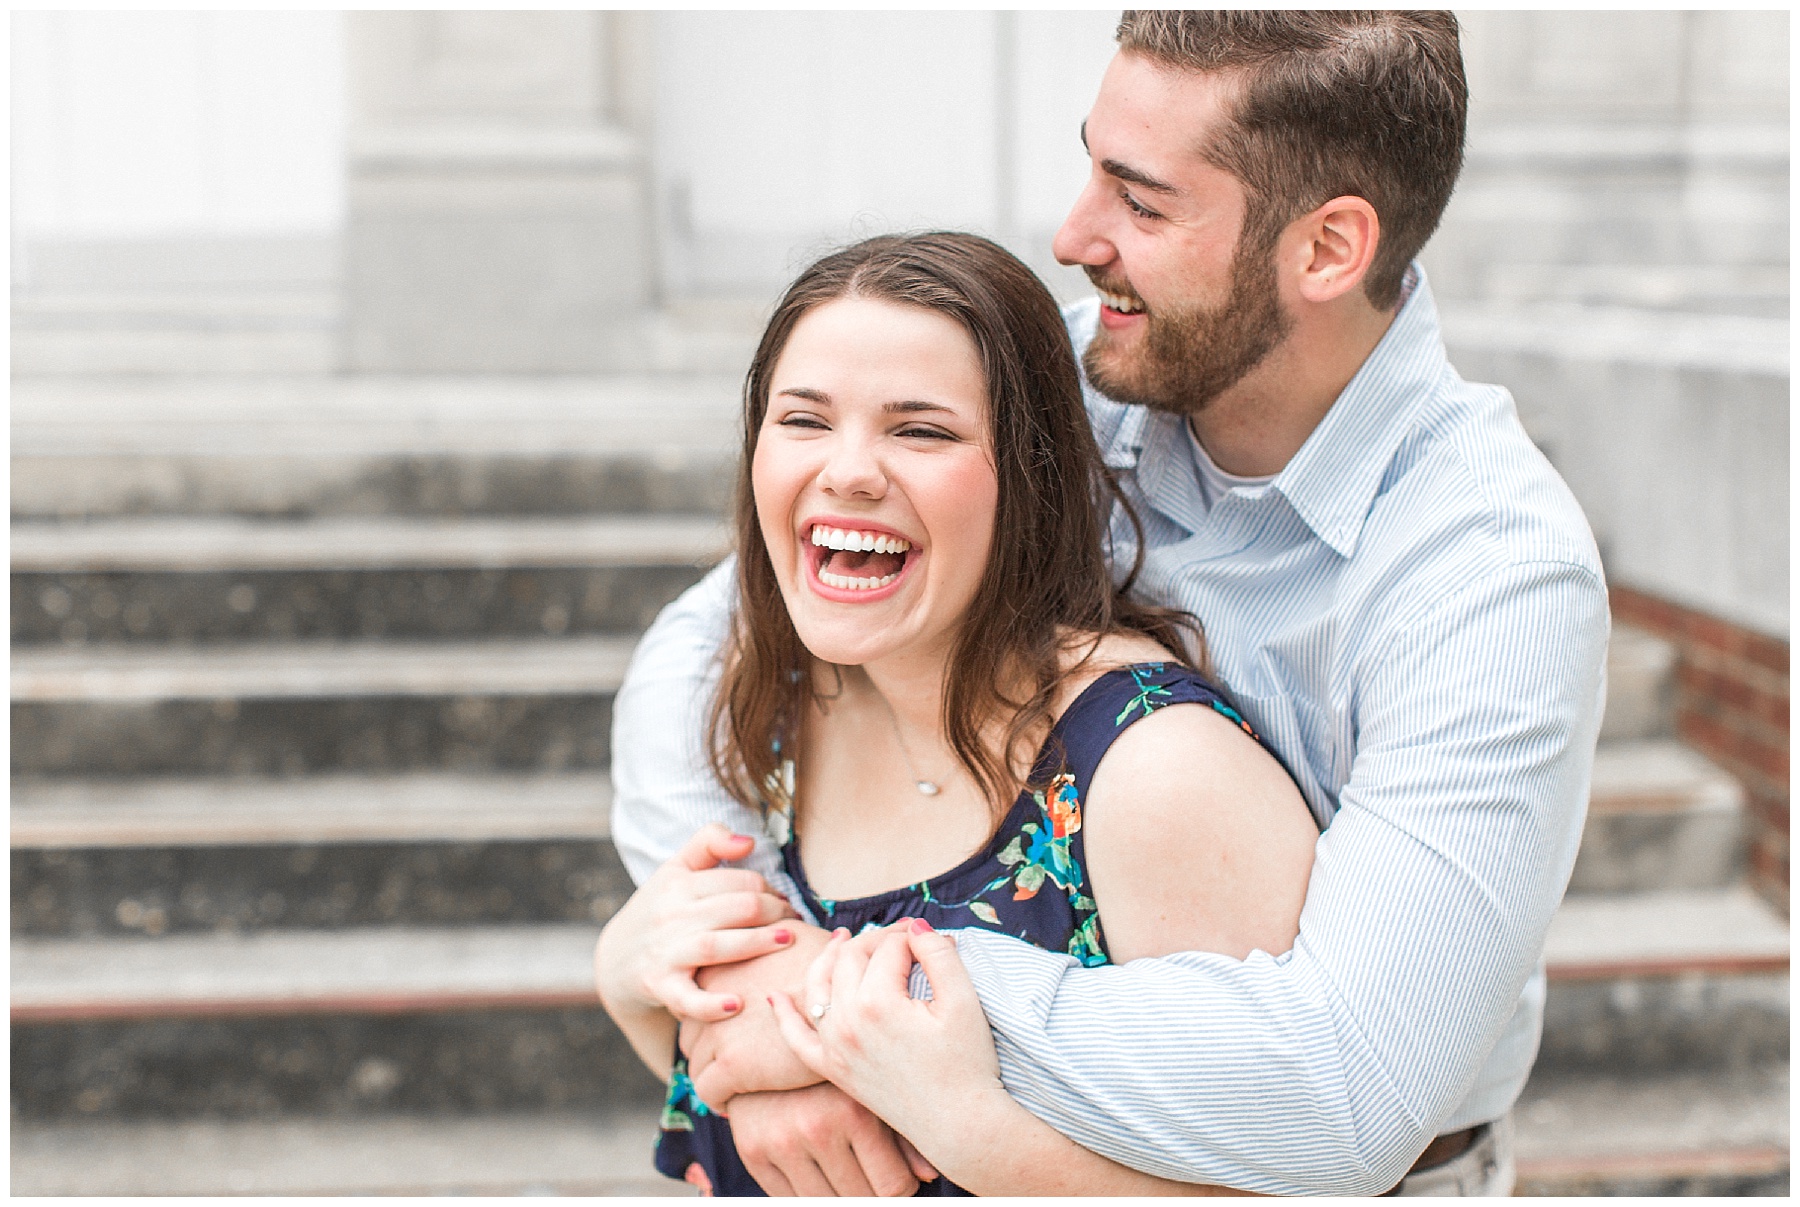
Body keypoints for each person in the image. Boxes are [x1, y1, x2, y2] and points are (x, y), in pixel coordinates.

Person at [609, 10, 1609, 1198]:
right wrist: (743, 968)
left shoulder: (1490, 572)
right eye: (1091, 165)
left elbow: (1344, 1090)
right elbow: (712, 636)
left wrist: (851, 1006)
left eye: (1142, 203)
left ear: (1329, 248)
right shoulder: (1077, 382)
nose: (1074, 233)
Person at [596, 230, 1318, 1195]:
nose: (848, 471)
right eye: (803, 420)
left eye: (922, 431)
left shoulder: (1154, 773)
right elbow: (740, 1118)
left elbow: (1289, 1176)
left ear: (1030, 476)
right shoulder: (760, 716)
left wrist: (951, 1115)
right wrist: (629, 980)